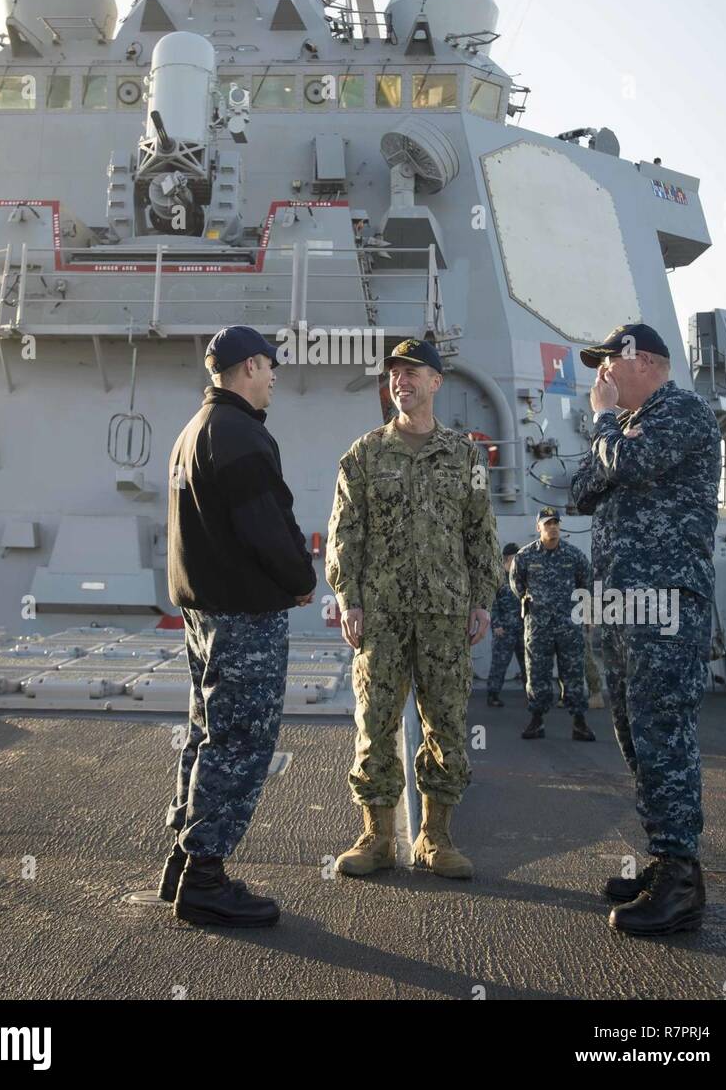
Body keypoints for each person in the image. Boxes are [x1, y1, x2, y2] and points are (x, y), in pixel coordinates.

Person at [326, 338, 502, 880]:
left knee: (447, 724)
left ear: (435, 382)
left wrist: (482, 600)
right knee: (374, 724)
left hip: (447, 614)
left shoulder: (466, 456)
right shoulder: (362, 455)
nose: (400, 380)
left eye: (412, 372)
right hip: (380, 614)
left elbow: (480, 530)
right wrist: (348, 600)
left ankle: (436, 836)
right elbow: (344, 533)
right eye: (394, 374)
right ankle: (376, 836)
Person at [158, 325, 316, 928]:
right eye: (271, 366)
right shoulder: (241, 433)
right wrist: (299, 578)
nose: (275, 376)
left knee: (205, 733)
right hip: (244, 617)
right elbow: (265, 523)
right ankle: (205, 880)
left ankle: (183, 858)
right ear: (249, 366)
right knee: (241, 741)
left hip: (204, 612)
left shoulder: (193, 431)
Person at [570, 322, 721, 937]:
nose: (600, 376)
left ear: (645, 361)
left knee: (663, 731)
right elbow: (581, 489)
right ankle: (664, 860)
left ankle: (680, 880)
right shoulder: (629, 427)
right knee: (635, 732)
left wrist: (605, 422)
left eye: (608, 362)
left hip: (665, 603)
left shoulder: (681, 411)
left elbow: (625, 468)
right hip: (621, 605)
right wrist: (611, 436)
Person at [510, 509, 596, 741]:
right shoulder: (525, 556)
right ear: (539, 527)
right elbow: (515, 583)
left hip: (569, 625)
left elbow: (586, 583)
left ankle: (579, 722)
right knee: (537, 673)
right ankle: (537, 720)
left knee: (574, 673)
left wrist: (588, 615)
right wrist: (528, 603)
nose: (553, 527)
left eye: (556, 523)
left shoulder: (574, 555)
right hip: (538, 627)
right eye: (547, 524)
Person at [486, 543, 526, 706]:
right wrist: (496, 625)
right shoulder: (498, 578)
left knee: (527, 665)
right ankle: (493, 695)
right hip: (504, 630)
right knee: (499, 664)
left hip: (523, 629)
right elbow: (492, 604)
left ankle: (532, 695)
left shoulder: (523, 577)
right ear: (508, 558)